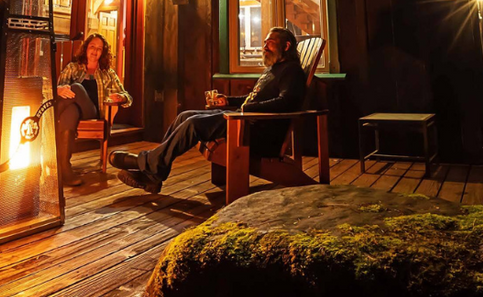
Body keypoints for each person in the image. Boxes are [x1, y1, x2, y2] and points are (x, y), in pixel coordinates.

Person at [111, 27, 305, 194]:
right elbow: (251, 100)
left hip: (256, 131)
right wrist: (227, 100)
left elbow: (286, 102)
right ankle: (154, 172)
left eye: (270, 43)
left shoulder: (292, 71)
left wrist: (249, 108)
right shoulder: (272, 70)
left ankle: (148, 165)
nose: (264, 47)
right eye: (264, 42)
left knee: (193, 124)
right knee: (185, 115)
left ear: (286, 46)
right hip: (244, 120)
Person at [56, 33, 131, 186]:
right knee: (70, 111)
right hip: (75, 113)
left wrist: (120, 97)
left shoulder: (107, 72)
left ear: (103, 52)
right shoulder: (73, 67)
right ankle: (65, 169)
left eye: (99, 48)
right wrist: (59, 90)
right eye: (92, 47)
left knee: (76, 87)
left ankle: (51, 116)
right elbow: (58, 88)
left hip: (93, 114)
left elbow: (127, 97)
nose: (95, 51)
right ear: (85, 48)